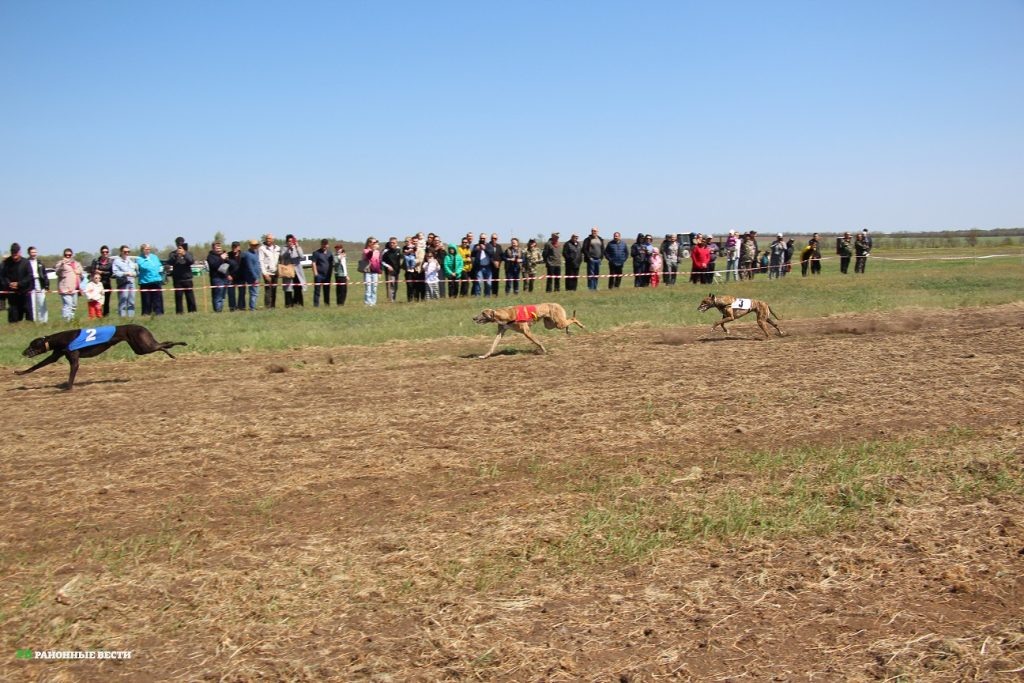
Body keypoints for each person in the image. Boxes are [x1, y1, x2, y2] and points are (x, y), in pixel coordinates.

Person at [1, 243, 33, 322]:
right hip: (12, 292)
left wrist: (19, 284)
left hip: (24, 292)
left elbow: (29, 276)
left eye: (16, 252)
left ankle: (29, 325)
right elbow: (3, 276)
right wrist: (9, 284)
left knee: (27, 310)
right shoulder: (6, 263)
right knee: (13, 312)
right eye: (12, 253)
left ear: (19, 252)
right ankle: (13, 326)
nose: (14, 254)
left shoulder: (26, 262)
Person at [53, 247, 84, 322]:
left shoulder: (76, 263)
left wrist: (78, 271)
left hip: (75, 288)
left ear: (72, 255)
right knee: (68, 305)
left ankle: (71, 320)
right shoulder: (60, 263)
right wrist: (62, 266)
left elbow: (81, 271)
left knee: (74, 305)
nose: (68, 256)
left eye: (69, 255)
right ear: (63, 255)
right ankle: (66, 320)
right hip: (65, 288)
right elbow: (57, 273)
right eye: (66, 255)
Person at [167, 242, 196, 314]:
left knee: (190, 297)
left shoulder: (188, 253)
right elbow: (169, 262)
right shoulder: (173, 254)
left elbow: (191, 261)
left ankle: (192, 311)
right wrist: (176, 255)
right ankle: (179, 312)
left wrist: (184, 254)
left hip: (187, 278)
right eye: (178, 245)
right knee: (178, 297)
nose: (179, 246)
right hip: (177, 279)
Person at [136, 243, 164, 315]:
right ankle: (146, 314)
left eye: (149, 249)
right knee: (146, 300)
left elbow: (159, 265)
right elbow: (144, 267)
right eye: (146, 249)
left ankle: (158, 313)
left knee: (157, 299)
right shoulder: (139, 259)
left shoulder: (154, 257)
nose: (148, 250)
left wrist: (161, 269)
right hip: (145, 282)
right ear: (142, 250)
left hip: (156, 281)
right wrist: (151, 265)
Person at [279, 234, 305, 307]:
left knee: (298, 287)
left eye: (292, 241)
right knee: (288, 288)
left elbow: (302, 256)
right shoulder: (284, 248)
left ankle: (298, 303)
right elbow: (282, 256)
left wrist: (297, 246)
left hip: (297, 271)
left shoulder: (297, 247)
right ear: (287, 242)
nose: (290, 242)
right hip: (288, 271)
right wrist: (288, 249)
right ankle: (288, 304)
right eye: (289, 241)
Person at [112, 245, 137, 317]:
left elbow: (135, 271)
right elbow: (115, 272)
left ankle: (131, 317)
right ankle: (122, 317)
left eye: (128, 252)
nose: (127, 253)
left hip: (131, 283)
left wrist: (134, 274)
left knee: (131, 301)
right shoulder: (117, 261)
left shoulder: (130, 261)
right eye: (125, 252)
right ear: (121, 252)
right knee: (123, 301)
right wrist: (124, 274)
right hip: (123, 283)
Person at [89, 245, 114, 316]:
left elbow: (111, 273)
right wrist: (95, 271)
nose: (105, 253)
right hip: (97, 284)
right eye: (103, 252)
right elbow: (92, 270)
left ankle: (106, 314)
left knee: (106, 301)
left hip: (107, 283)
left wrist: (101, 272)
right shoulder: (96, 261)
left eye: (106, 252)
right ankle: (97, 314)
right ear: (101, 252)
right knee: (97, 300)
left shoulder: (111, 261)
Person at [26, 246, 48, 322]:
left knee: (41, 302)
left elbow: (44, 274)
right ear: (29, 253)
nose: (34, 254)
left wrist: (46, 285)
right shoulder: (26, 262)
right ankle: (33, 320)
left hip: (39, 282)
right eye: (32, 252)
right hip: (30, 283)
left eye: (35, 252)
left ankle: (43, 321)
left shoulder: (40, 262)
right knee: (31, 303)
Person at [238, 240, 262, 311]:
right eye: (253, 245)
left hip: (257, 276)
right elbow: (250, 267)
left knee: (255, 293)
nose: (255, 246)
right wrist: (255, 277)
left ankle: (253, 307)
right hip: (252, 277)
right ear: (250, 245)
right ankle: (252, 308)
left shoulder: (256, 253)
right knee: (254, 293)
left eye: (256, 245)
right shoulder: (247, 254)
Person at [259, 233, 281, 309]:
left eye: (269, 238)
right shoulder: (262, 248)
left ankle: (273, 306)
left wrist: (280, 270)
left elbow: (280, 259)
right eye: (267, 238)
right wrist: (264, 273)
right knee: (268, 290)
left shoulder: (277, 248)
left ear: (273, 240)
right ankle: (267, 306)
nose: (268, 240)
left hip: (275, 272)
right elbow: (261, 261)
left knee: (274, 290)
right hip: (267, 272)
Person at [380, 236, 402, 303]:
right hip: (389, 271)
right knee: (391, 285)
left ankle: (393, 299)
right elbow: (382, 261)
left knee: (396, 286)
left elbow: (402, 258)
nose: (392, 244)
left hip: (397, 271)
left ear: (396, 243)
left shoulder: (399, 250)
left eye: (394, 243)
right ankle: (391, 300)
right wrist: (387, 266)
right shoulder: (386, 251)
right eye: (391, 243)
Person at [362, 237, 382, 306]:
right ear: (369, 243)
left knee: (374, 288)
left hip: (375, 272)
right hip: (368, 272)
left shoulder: (378, 252)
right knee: (368, 288)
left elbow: (379, 262)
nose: (375, 244)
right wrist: (372, 250)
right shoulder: (365, 250)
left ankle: (373, 303)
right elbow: (368, 257)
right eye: (373, 242)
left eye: (375, 242)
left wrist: (379, 272)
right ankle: (368, 303)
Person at [225, 241, 242, 311]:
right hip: (231, 278)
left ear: (239, 247)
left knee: (242, 293)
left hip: (241, 277)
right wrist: (227, 275)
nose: (234, 248)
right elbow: (224, 267)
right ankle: (232, 307)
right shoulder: (228, 255)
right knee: (231, 293)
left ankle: (241, 307)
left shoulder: (243, 255)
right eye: (233, 246)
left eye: (235, 246)